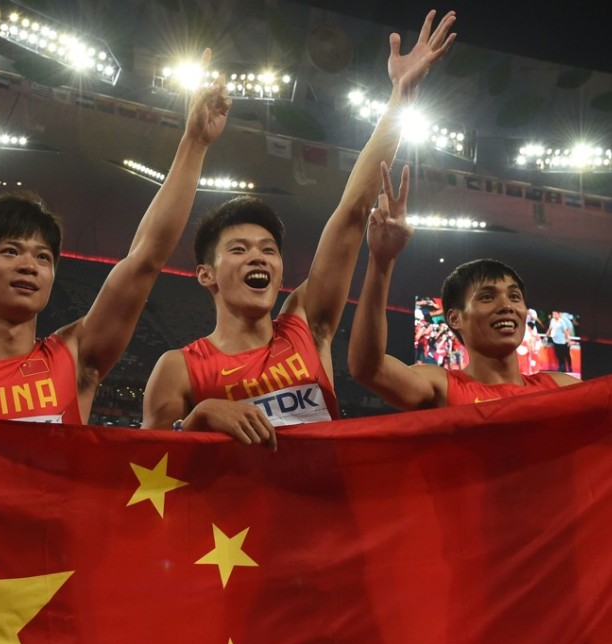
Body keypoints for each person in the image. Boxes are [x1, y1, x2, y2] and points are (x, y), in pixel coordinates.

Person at [142, 9, 457, 446]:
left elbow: (351, 213)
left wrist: (400, 96)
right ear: (205, 274)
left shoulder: (307, 325)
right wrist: (196, 419)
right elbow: (142, 472)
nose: (258, 256)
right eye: (239, 249)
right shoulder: (178, 368)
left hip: (324, 512)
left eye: (268, 249)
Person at [0, 50, 230, 423]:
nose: (29, 265)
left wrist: (194, 143)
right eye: (12, 251)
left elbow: (145, 260)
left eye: (43, 257)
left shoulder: (75, 358)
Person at [347, 162, 579, 410]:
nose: (507, 306)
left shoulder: (562, 389)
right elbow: (368, 368)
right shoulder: (442, 387)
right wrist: (381, 262)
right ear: (455, 318)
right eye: (487, 297)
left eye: (514, 296)